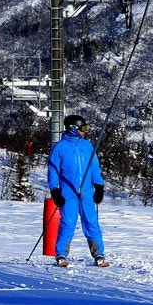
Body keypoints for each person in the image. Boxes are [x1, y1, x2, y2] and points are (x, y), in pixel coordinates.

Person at [48, 113, 108, 267]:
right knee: (68, 223)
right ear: (73, 128)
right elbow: (53, 170)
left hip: (87, 191)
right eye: (83, 128)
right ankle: (61, 254)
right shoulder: (60, 148)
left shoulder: (87, 146)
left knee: (91, 222)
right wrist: (54, 191)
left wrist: (99, 186)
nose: (85, 131)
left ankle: (98, 254)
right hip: (68, 192)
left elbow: (94, 168)